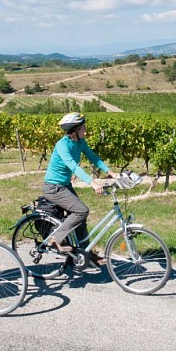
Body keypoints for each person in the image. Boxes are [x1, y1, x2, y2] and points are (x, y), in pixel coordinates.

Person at [43, 112, 116, 264]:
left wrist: (110, 172)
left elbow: (93, 157)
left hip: (64, 185)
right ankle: (55, 239)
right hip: (53, 187)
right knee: (81, 210)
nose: (86, 131)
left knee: (80, 219)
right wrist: (92, 182)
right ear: (75, 129)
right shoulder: (62, 145)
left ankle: (86, 253)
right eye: (83, 128)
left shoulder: (80, 142)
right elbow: (73, 166)